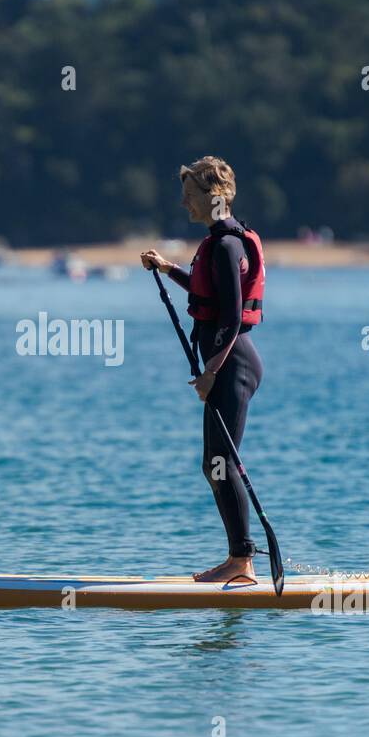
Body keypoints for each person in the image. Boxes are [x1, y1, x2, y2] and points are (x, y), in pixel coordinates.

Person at [140, 157, 266, 584]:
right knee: (213, 461)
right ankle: (238, 557)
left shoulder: (229, 245)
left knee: (221, 460)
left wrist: (212, 369)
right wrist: (168, 267)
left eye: (189, 195)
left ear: (212, 197)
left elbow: (231, 317)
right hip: (227, 363)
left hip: (234, 364)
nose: (183, 203)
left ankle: (242, 561)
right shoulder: (218, 242)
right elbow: (203, 289)